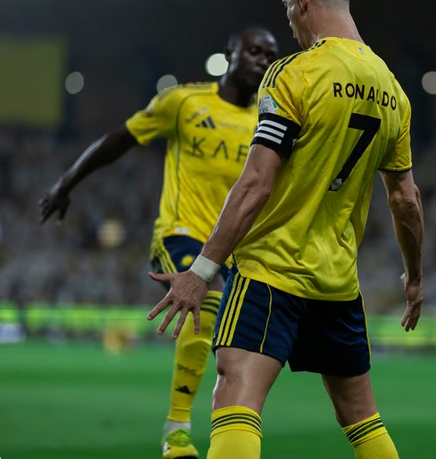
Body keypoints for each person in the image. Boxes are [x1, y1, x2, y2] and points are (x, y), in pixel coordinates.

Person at [148, 0, 425, 459]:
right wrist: (414, 278)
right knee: (361, 415)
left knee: (235, 393)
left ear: (302, 0)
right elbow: (405, 200)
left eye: (287, 9)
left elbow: (256, 183)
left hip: (271, 271)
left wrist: (201, 271)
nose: (291, 23)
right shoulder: (394, 93)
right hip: (338, 282)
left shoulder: (295, 73)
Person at [38, 27, 279, 459]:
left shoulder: (269, 122)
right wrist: (66, 182)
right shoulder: (183, 101)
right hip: (181, 233)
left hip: (236, 250)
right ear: (230, 54)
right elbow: (121, 138)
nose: (262, 60)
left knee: (237, 347)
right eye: (254, 51)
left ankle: (231, 436)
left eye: (270, 54)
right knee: (208, 295)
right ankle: (177, 429)